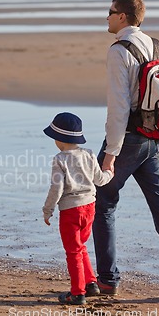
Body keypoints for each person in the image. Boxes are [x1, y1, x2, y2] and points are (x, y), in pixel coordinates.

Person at [93, 0, 159, 300]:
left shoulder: (118, 50)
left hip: (128, 140)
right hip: (154, 139)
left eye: (110, 12)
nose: (107, 18)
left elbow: (120, 107)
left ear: (122, 16)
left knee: (102, 202)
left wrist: (110, 155)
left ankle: (108, 281)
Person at [42, 112, 113, 305]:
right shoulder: (89, 154)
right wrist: (109, 172)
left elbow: (56, 189)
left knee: (72, 251)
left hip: (70, 211)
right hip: (90, 207)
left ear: (59, 139)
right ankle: (91, 283)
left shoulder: (59, 159)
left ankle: (77, 293)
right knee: (81, 246)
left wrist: (47, 210)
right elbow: (100, 180)